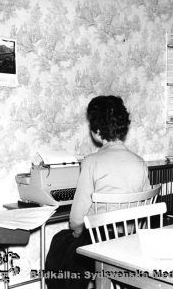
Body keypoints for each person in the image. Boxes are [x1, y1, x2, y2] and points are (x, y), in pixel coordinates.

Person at [46, 95, 150, 289]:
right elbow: (144, 209)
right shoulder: (140, 162)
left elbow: (76, 219)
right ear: (123, 126)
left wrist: (77, 231)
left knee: (60, 241)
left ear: (96, 131)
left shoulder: (91, 162)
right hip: (129, 240)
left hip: (100, 243)